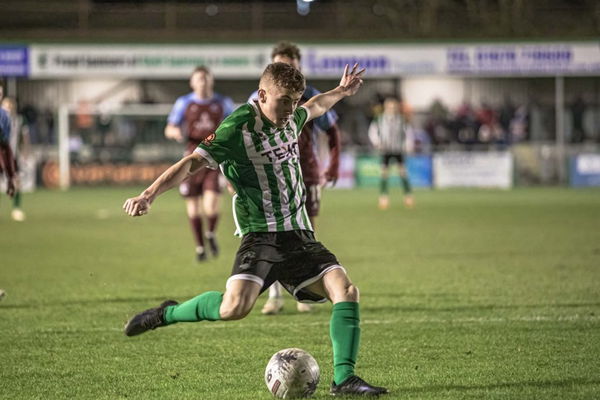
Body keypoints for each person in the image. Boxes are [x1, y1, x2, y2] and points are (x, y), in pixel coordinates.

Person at [122, 62, 388, 396]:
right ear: (262, 95)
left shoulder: (291, 118)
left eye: (294, 100)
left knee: (346, 290)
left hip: (299, 234)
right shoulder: (238, 127)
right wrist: (148, 195)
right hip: (260, 236)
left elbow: (315, 107)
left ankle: (344, 378)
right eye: (283, 101)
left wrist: (341, 91)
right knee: (233, 308)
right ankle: (167, 313)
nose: (290, 109)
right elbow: (191, 162)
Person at [249, 41, 341, 315]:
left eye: (292, 66)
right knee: (272, 232)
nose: (288, 70)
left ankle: (304, 288)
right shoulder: (258, 100)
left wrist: (333, 164)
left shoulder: (309, 95)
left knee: (306, 230)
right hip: (271, 173)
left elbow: (332, 130)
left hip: (306, 171)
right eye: (282, 66)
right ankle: (274, 295)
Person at [165, 66, 235, 262]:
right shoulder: (184, 102)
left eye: (205, 78)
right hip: (192, 158)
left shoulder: (223, 103)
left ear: (211, 81)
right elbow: (170, 127)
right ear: (192, 82)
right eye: (199, 79)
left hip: (214, 157)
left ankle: (210, 233)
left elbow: (235, 125)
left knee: (211, 204)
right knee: (194, 206)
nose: (202, 82)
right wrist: (175, 132)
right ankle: (200, 247)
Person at [368, 96, 414, 210]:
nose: (391, 109)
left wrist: (409, 144)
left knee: (403, 172)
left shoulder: (401, 119)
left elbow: (408, 132)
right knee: (384, 173)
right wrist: (377, 142)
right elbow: (372, 131)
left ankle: (408, 197)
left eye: (393, 107)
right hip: (385, 150)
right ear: (385, 107)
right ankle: (383, 198)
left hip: (398, 149)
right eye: (389, 107)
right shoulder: (379, 119)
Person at [1, 97, 28, 221]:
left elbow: (25, 137)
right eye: (5, 106)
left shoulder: (20, 120)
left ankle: (16, 209)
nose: (8, 108)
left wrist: (26, 150)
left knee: (17, 182)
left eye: (10, 106)